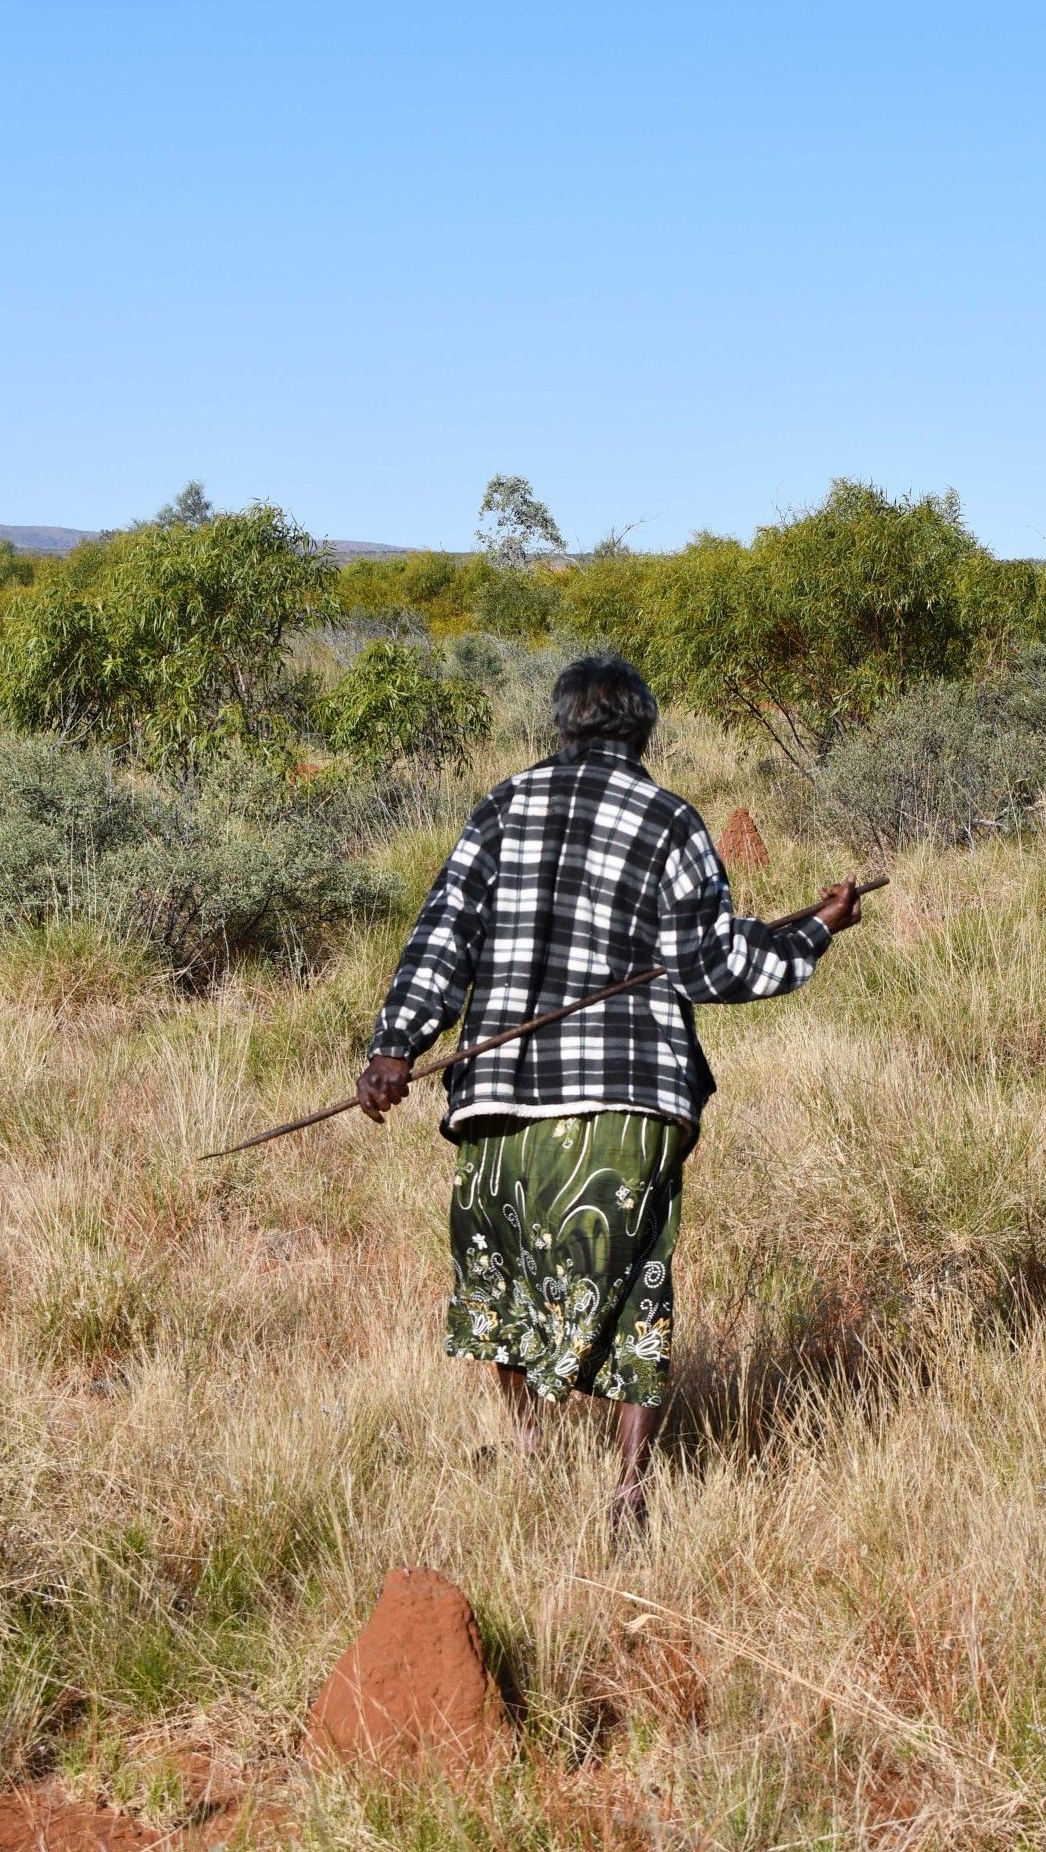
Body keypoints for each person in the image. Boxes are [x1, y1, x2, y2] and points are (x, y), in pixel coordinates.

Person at [356, 654, 863, 1530]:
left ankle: (526, 1451)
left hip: (501, 1105)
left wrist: (395, 1049)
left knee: (505, 1282)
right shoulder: (668, 819)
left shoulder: (500, 808)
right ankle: (627, 1489)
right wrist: (815, 931)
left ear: (560, 726)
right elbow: (711, 966)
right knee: (636, 1288)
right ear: (644, 732)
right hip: (630, 1105)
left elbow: (442, 938)